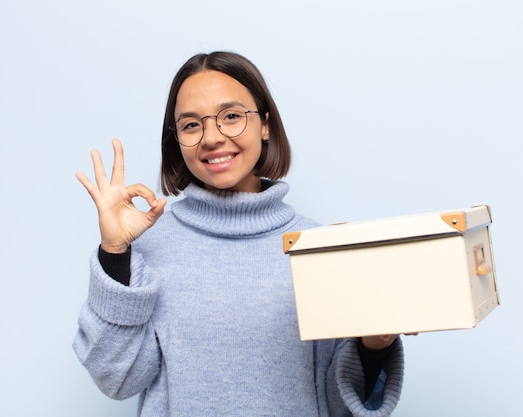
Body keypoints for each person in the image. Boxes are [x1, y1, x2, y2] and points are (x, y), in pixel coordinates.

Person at [73, 51, 404, 417]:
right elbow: (117, 379)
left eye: (231, 117)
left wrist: (377, 343)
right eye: (191, 125)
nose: (212, 137)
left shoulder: (318, 248)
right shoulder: (151, 246)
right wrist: (115, 252)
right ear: (177, 140)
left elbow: (343, 404)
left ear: (265, 125)